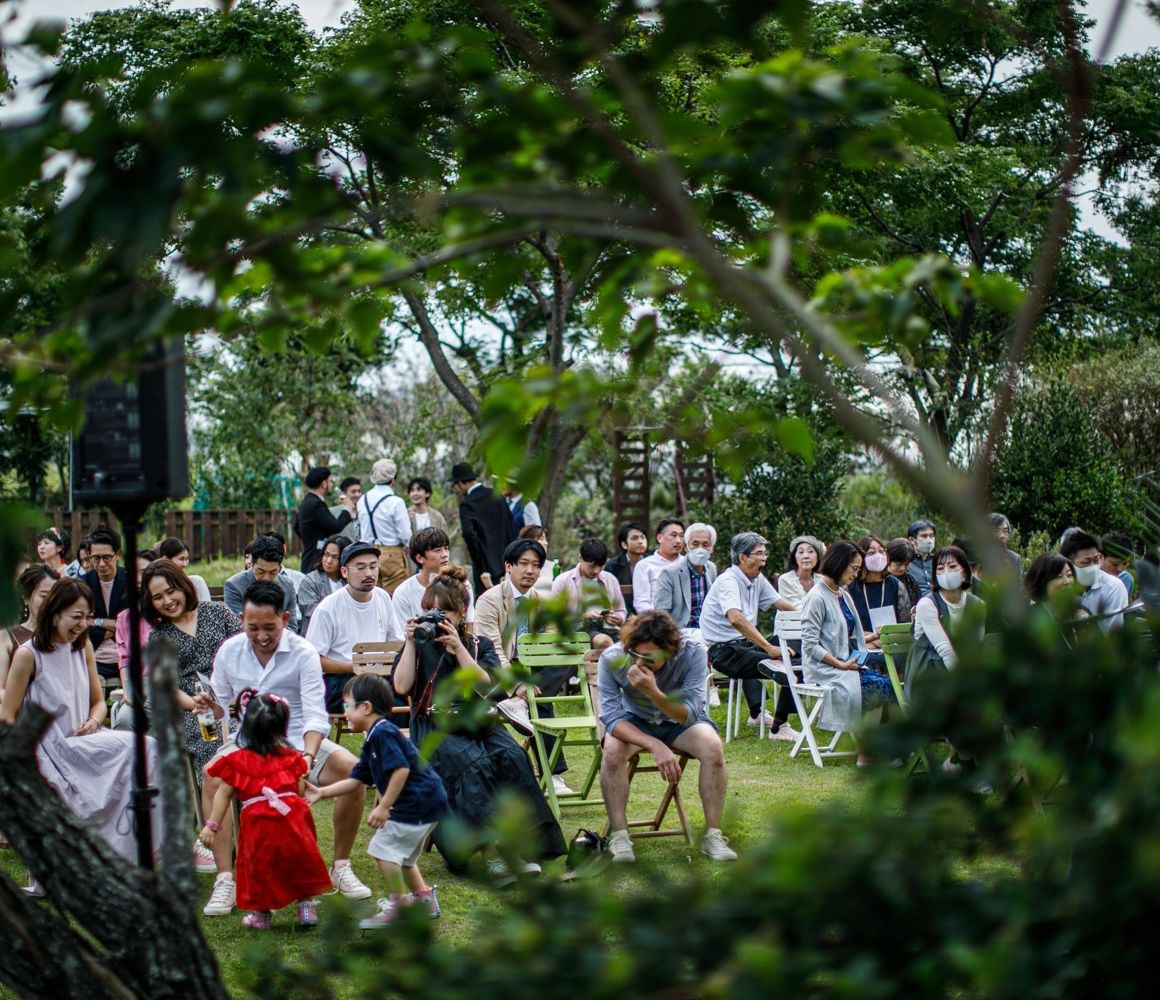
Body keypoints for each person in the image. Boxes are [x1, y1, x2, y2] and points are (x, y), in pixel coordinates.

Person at [198, 580, 372, 916]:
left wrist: (307, 756)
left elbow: (315, 713)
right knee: (212, 777)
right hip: (248, 742)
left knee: (353, 771)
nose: (262, 636)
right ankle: (225, 878)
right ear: (241, 619)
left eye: (270, 627)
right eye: (253, 628)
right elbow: (221, 708)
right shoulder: (230, 651)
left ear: (286, 618)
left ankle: (340, 865)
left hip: (296, 740)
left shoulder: (303, 652)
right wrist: (210, 705)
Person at [390, 565, 566, 882]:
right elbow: (402, 686)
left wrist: (458, 649)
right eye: (430, 610)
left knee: (512, 755)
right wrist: (412, 643)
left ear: (461, 613)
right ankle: (493, 855)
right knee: (473, 764)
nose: (435, 618)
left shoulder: (476, 644)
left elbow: (488, 687)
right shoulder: (417, 646)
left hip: (477, 721)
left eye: (444, 612)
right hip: (434, 728)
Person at [0, 578, 161, 868]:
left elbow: (99, 703)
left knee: (148, 748)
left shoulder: (82, 647)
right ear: (55, 614)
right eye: (76, 617)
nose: (83, 624)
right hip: (45, 748)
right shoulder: (27, 655)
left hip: (83, 737)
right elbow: (8, 716)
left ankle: (139, 851)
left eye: (88, 617)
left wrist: (93, 721)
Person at [307, 674, 447, 927]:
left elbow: (401, 769)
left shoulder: (383, 733)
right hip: (429, 802)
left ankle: (400, 905)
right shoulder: (374, 738)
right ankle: (425, 901)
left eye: (347, 706)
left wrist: (383, 806)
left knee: (383, 850)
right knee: (404, 858)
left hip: (417, 802)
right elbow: (355, 780)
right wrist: (322, 792)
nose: (344, 713)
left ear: (366, 707)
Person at [599, 611, 737, 863]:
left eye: (649, 657)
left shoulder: (693, 653)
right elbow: (611, 718)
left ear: (670, 651)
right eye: (635, 654)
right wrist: (654, 745)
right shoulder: (612, 658)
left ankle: (713, 836)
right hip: (634, 720)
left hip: (678, 720)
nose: (639, 662)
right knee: (612, 751)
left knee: (713, 748)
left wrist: (652, 691)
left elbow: (689, 713)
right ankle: (619, 837)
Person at [142, 559, 242, 877]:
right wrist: (196, 704)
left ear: (183, 586)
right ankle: (220, 843)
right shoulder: (159, 637)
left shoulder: (217, 613)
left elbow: (245, 651)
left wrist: (236, 697)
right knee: (213, 746)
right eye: (158, 597)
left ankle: (253, 829)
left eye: (170, 591)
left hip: (237, 700)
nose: (167, 600)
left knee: (248, 736)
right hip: (194, 711)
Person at [200, 690, 333, 931]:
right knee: (300, 859)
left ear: (247, 727)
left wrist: (212, 825)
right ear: (282, 727)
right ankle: (306, 908)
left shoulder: (237, 760)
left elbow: (223, 793)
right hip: (292, 817)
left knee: (259, 865)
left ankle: (261, 915)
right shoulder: (291, 757)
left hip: (259, 821)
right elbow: (299, 788)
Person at [477, 538, 574, 794]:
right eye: (523, 564)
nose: (530, 570)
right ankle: (552, 774)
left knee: (569, 654)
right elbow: (492, 650)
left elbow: (552, 645)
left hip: (531, 671)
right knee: (541, 705)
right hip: (495, 672)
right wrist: (515, 684)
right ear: (508, 566)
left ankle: (523, 701)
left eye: (536, 565)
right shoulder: (489, 600)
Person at [800, 541, 897, 766]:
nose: (856, 574)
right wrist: (841, 665)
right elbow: (810, 646)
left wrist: (873, 637)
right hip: (825, 669)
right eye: (854, 568)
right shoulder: (817, 597)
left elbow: (846, 636)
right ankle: (867, 753)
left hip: (845, 664)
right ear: (839, 564)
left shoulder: (842, 594)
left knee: (887, 683)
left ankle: (892, 748)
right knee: (875, 687)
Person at [699, 532, 798, 740]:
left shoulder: (756, 578)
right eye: (759, 554)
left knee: (799, 651)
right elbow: (735, 618)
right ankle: (779, 727)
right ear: (742, 558)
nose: (764, 559)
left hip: (745, 646)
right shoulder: (729, 581)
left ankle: (758, 714)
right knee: (788, 665)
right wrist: (769, 648)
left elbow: (782, 605)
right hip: (725, 652)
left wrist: (812, 619)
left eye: (765, 553)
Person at [905, 545, 986, 779]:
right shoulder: (927, 604)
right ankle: (969, 767)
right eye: (940, 568)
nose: (946, 572)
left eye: (952, 566)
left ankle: (962, 761)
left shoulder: (977, 606)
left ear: (965, 572)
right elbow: (944, 650)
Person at [306, 541, 404, 713]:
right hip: (341, 681)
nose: (369, 573)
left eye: (373, 566)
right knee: (376, 702)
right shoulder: (327, 608)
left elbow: (396, 643)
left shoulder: (383, 598)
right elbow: (313, 660)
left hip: (379, 676)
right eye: (360, 568)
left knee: (405, 699)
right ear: (344, 572)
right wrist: (355, 667)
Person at [451, 461, 515, 595]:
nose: (457, 490)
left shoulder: (467, 504)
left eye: (455, 486)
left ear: (460, 483)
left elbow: (468, 534)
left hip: (484, 568)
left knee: (486, 602)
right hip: (507, 562)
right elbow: (510, 522)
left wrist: (478, 560)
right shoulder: (497, 495)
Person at [551, 537, 627, 649]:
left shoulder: (610, 579)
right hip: (580, 630)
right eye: (592, 566)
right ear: (580, 558)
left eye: (601, 566)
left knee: (634, 643)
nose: (596, 571)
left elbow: (621, 610)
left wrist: (618, 618)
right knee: (604, 642)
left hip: (610, 628)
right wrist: (583, 616)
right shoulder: (563, 581)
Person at [393, 527, 477, 626]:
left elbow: (470, 623)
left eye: (446, 548)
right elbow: (401, 632)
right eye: (437, 550)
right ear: (420, 558)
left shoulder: (461, 584)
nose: (445, 554)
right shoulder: (403, 593)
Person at [653, 523, 718, 642]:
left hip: (709, 632)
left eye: (705, 545)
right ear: (686, 547)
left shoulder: (711, 569)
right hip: (681, 634)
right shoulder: (669, 573)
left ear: (711, 548)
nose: (700, 549)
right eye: (695, 544)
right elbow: (661, 613)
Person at [0, 564, 58, 693]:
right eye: (44, 596)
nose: (50, 602)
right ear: (25, 597)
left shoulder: (65, 636)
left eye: (55, 597)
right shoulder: (7, 636)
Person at [81, 527, 129, 681]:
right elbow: (80, 623)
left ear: (118, 554)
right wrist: (113, 625)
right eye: (96, 558)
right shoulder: (83, 584)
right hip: (94, 658)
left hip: (128, 657)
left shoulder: (130, 581)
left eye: (107, 557)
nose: (101, 564)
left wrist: (97, 622)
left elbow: (132, 625)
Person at [357, 458, 412, 594]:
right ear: (393, 479)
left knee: (374, 597)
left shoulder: (362, 500)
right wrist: (408, 545)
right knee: (396, 596)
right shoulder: (396, 502)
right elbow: (405, 534)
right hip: (392, 554)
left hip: (368, 552)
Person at [223, 535, 300, 631]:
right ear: (252, 564)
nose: (266, 578)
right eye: (261, 571)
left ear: (280, 567)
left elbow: (292, 627)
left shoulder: (287, 585)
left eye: (273, 572)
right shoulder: (234, 586)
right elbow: (236, 628)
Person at [1060, 530, 1130, 632]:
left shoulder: (1114, 588)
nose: (1093, 567)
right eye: (1086, 562)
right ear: (1069, 564)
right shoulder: (1057, 587)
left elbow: (1111, 634)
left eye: (1096, 560)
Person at [849, 535, 908, 643]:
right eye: (871, 553)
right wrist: (873, 639)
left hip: (892, 645)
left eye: (881, 551)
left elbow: (905, 625)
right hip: (860, 646)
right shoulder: (850, 586)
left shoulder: (896, 586)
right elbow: (846, 628)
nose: (878, 556)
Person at [296, 466, 356, 574]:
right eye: (330, 481)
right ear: (324, 483)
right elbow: (335, 527)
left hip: (308, 555)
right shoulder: (316, 504)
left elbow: (296, 527)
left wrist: (310, 539)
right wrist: (347, 509)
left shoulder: (307, 501)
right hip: (315, 558)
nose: (332, 485)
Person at [113, 549, 157, 693]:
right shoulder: (124, 618)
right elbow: (124, 660)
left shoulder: (169, 612)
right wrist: (128, 691)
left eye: (144, 572)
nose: (138, 579)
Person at [296, 534, 349, 634]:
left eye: (335, 557)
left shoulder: (348, 581)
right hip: (316, 634)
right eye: (326, 554)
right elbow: (312, 611)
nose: (328, 561)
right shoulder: (311, 581)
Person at [631, 518, 685, 613]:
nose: (678, 540)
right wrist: (659, 617)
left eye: (681, 536)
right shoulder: (644, 566)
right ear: (660, 538)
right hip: (657, 618)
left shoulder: (687, 563)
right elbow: (641, 603)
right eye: (673, 535)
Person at [604, 522, 649, 616]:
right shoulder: (613, 566)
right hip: (623, 616)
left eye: (642, 537)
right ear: (624, 544)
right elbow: (609, 597)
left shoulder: (653, 563)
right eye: (635, 538)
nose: (640, 541)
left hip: (650, 616)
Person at [155, 536, 212, 602]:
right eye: (181, 559)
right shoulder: (156, 584)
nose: (185, 564)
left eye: (187, 559)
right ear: (166, 559)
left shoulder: (195, 582)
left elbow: (207, 606)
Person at [776, 535, 824, 609]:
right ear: (795, 558)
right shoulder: (785, 580)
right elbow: (796, 608)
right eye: (801, 552)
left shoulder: (822, 581)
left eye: (810, 551)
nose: (805, 556)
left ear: (817, 558)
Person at [518, 524, 557, 598]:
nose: (546, 543)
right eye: (541, 539)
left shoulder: (554, 566)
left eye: (546, 539)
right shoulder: (517, 565)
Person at [886, 537, 920, 617]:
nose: (902, 568)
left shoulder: (911, 582)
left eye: (906, 564)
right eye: (898, 564)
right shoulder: (879, 580)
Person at [1101, 532, 1136, 600]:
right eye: (1114, 564)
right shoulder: (1090, 576)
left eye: (1125, 563)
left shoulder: (1125, 579)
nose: (1120, 569)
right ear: (1101, 557)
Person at [906, 519, 938, 597]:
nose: (929, 540)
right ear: (912, 540)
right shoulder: (905, 563)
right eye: (924, 536)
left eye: (931, 536)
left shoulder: (938, 561)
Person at [990, 513, 1022, 577]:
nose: (1002, 536)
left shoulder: (1015, 559)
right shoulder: (978, 558)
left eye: (1005, 531)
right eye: (996, 531)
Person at [331, 476, 363, 542]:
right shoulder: (333, 512)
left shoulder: (365, 511)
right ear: (343, 494)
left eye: (359, 491)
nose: (357, 495)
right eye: (353, 492)